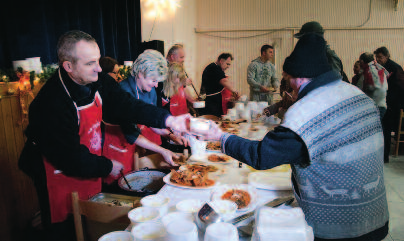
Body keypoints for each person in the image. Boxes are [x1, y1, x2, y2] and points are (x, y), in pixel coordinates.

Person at [207, 34, 389, 240]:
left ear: (300, 77)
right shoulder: (358, 95)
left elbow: (261, 156)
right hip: (376, 216)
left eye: (288, 77)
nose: (288, 83)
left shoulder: (307, 111)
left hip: (340, 227)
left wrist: (220, 137)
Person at [17, 30, 190, 241]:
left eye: (98, 60)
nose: (99, 68)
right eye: (90, 63)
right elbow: (69, 157)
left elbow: (126, 105)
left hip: (85, 162)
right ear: (68, 66)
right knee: (63, 229)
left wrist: (167, 120)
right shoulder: (51, 103)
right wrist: (107, 166)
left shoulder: (96, 79)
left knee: (88, 220)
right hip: (54, 171)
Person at [120, 49, 188, 148]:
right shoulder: (124, 91)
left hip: (141, 145)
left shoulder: (150, 90)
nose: (156, 85)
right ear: (140, 73)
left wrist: (171, 136)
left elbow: (151, 121)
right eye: (153, 80)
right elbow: (131, 134)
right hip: (121, 147)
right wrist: (162, 151)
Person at [374, 46, 404, 162]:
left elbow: (400, 88)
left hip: (393, 105)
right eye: (377, 57)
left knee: (388, 130)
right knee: (384, 131)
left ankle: (387, 156)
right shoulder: (379, 68)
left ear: (387, 56)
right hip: (383, 103)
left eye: (380, 57)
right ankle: (384, 156)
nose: (378, 59)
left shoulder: (395, 68)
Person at [358, 52, 388, 121]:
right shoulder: (379, 68)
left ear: (362, 61)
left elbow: (369, 87)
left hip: (374, 106)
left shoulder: (368, 71)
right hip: (381, 104)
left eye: (360, 62)